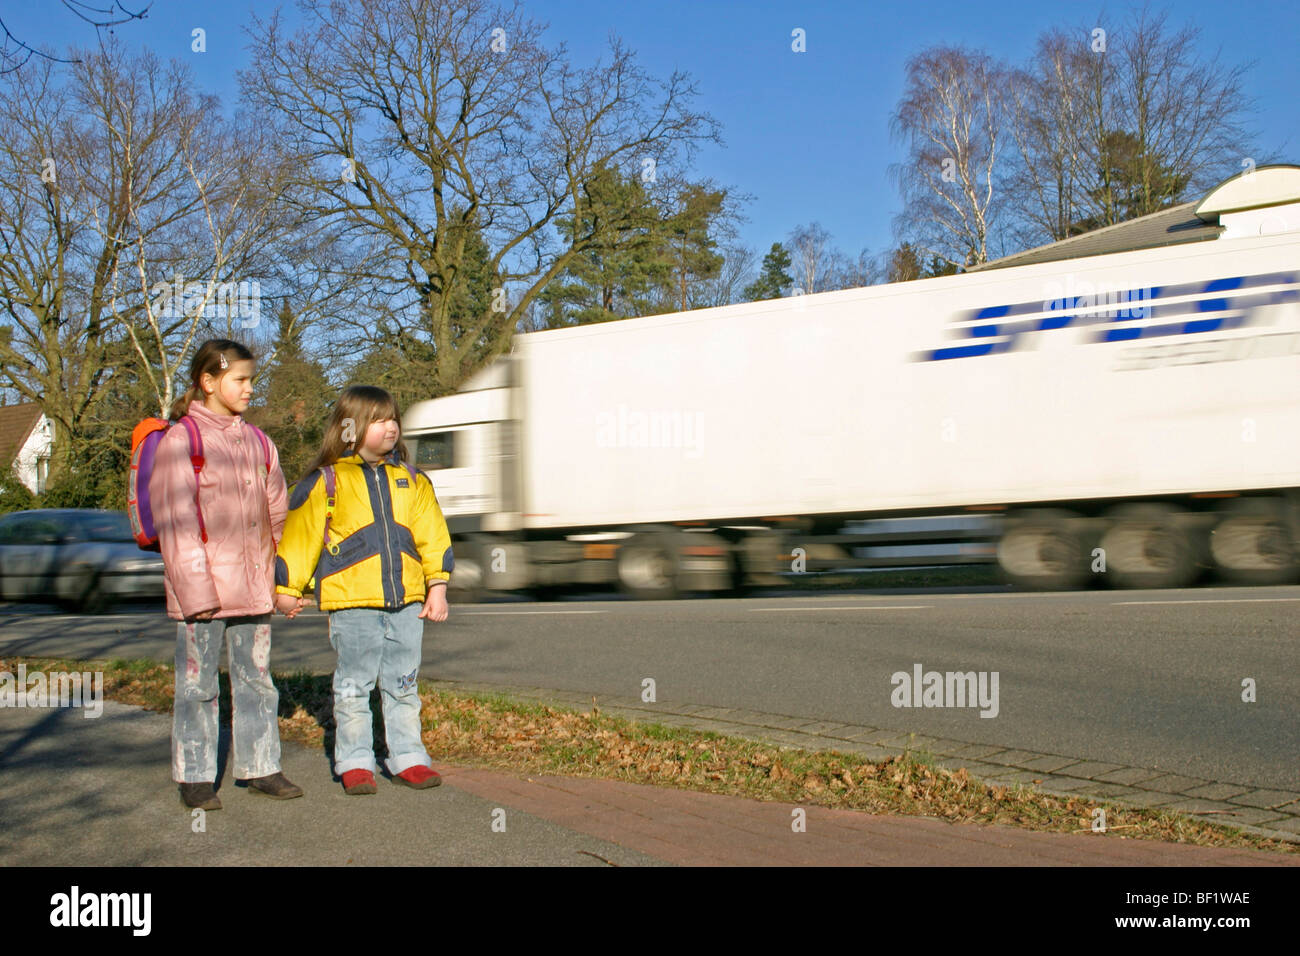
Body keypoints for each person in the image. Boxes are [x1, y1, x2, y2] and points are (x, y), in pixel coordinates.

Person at [274, 385, 452, 795]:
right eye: (379, 420)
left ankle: (408, 757)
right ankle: (355, 761)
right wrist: (287, 586)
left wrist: (437, 588)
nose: (390, 427)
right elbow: (301, 536)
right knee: (354, 685)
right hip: (352, 605)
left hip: (407, 603)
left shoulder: (412, 480)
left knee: (404, 683)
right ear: (350, 428)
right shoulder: (328, 481)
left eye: (393, 419)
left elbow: (433, 536)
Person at [150, 338, 303, 810]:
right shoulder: (183, 441)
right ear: (208, 382)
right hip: (205, 594)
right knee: (197, 687)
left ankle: (261, 766)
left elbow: (280, 517)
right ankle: (194, 776)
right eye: (240, 379)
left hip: (255, 589)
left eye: (251, 379)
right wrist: (197, 594)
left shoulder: (258, 441)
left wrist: (285, 580)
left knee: (257, 681)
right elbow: (176, 526)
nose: (249, 388)